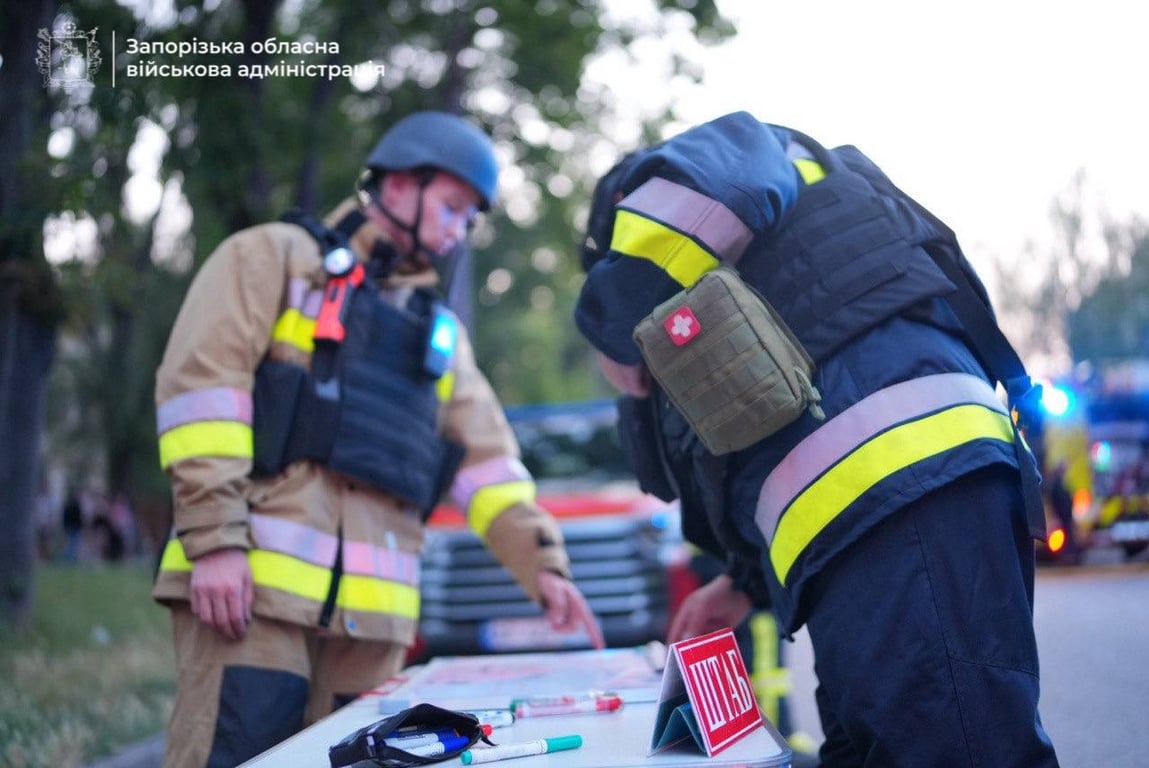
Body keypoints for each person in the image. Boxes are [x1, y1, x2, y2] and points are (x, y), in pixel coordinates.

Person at [577, 111, 1059, 767]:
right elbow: (762, 427)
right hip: (875, 513)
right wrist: (740, 583)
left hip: (901, 480)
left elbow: (683, 214)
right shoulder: (761, 265)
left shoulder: (695, 172)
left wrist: (612, 320)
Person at [153, 110, 605, 768]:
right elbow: (201, 392)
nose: (457, 231)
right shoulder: (272, 258)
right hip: (251, 601)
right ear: (399, 183)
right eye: (451, 207)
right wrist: (214, 541)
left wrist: (545, 570)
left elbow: (489, 466)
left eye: (467, 220)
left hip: (374, 632)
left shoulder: (439, 336)